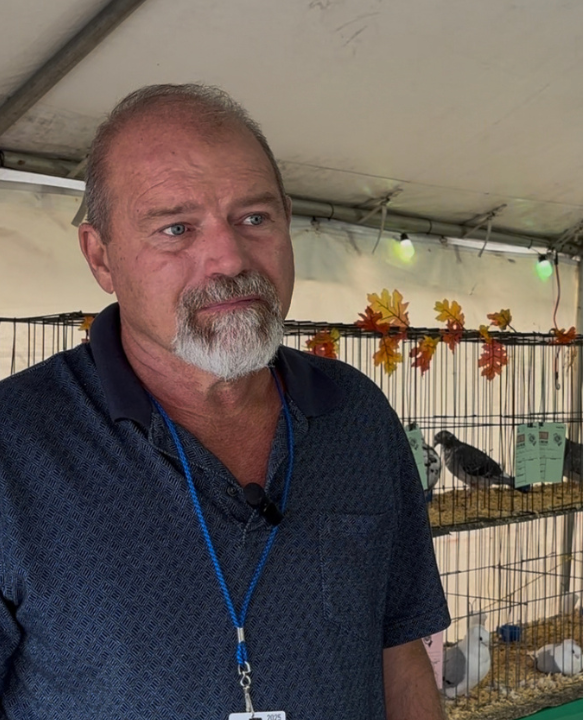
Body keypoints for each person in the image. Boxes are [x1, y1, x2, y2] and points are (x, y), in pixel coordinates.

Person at [0, 84, 450, 719]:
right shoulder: (16, 444)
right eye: (176, 228)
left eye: (254, 218)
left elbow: (399, 649)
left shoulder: (355, 415)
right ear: (101, 257)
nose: (229, 258)